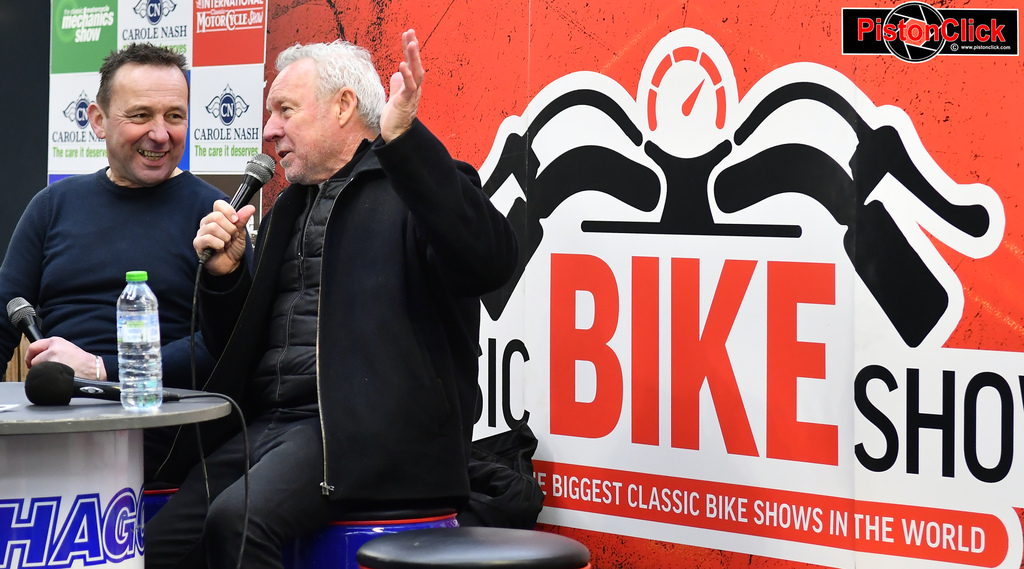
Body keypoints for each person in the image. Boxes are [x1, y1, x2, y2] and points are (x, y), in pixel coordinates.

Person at [144, 29, 518, 568]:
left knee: (236, 524)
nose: (270, 130)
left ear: (344, 106)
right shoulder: (285, 212)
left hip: (364, 436)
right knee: (159, 545)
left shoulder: (418, 191)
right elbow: (238, 350)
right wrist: (227, 278)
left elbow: (490, 260)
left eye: (285, 110)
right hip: (267, 428)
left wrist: (405, 141)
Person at [0, 43, 246, 483]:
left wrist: (99, 370)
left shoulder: (214, 216)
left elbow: (221, 347)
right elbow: (4, 315)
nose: (160, 134)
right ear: (97, 120)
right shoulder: (52, 206)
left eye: (174, 116)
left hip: (165, 443)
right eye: (140, 116)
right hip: (50, 434)